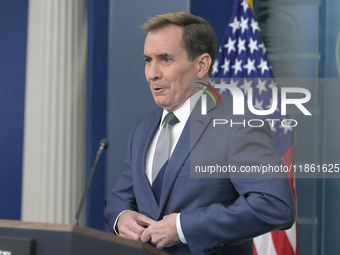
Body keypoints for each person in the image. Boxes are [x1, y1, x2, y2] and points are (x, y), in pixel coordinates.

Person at [104, 12, 295, 255]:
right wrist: (122, 217)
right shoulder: (142, 129)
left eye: (165, 60)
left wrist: (184, 227)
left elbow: (275, 205)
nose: (152, 73)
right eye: (147, 60)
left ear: (201, 65)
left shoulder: (240, 122)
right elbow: (119, 198)